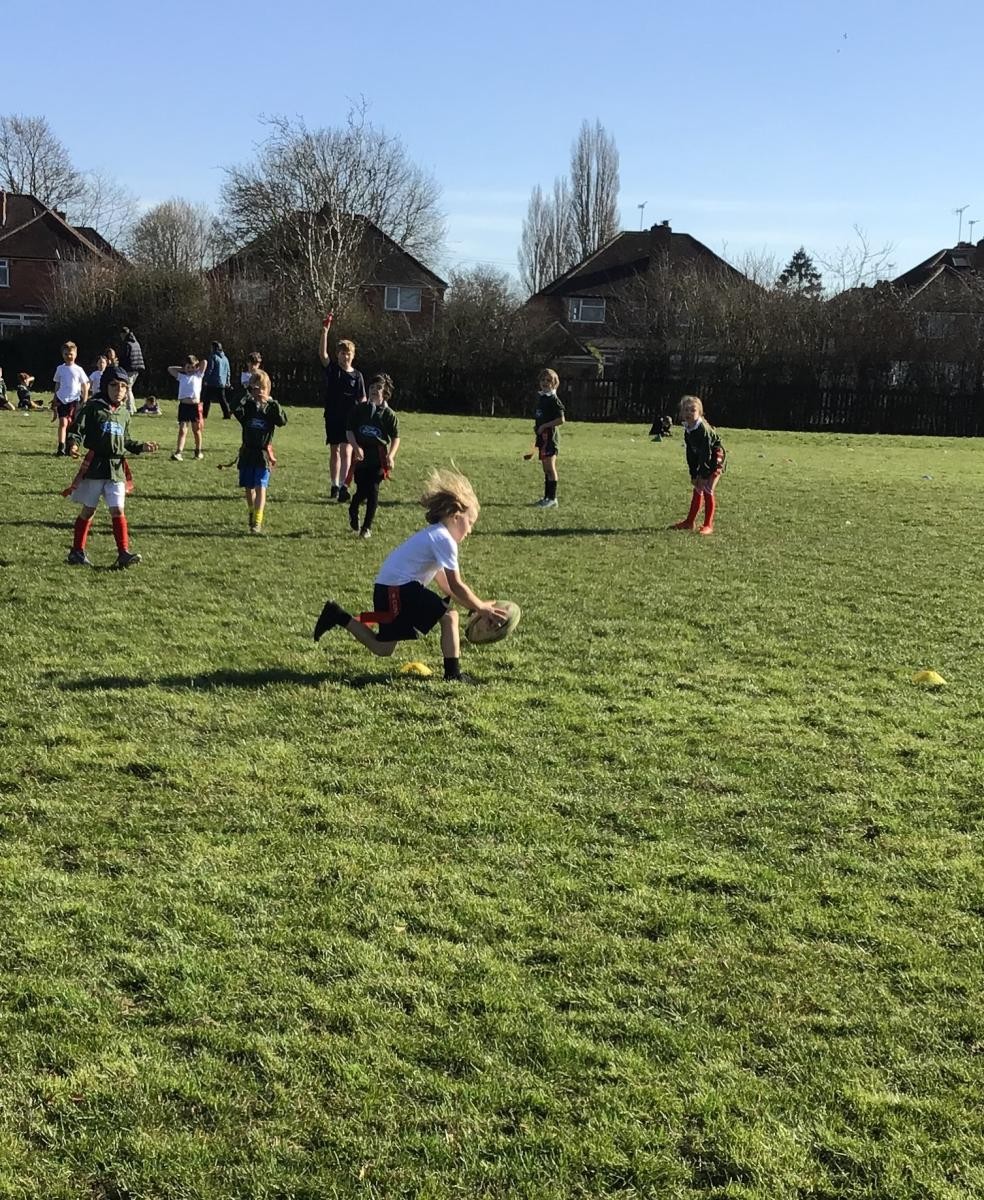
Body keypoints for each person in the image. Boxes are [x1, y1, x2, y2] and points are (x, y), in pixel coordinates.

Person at [313, 468, 508, 683]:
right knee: (449, 616)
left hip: (388, 588)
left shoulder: (436, 536)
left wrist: (476, 607)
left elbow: (446, 586)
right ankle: (453, 674)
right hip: (398, 589)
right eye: (470, 523)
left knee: (383, 648)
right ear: (455, 516)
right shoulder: (443, 539)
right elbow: (456, 585)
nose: (470, 531)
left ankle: (337, 615)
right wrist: (481, 607)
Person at [63, 365, 159, 568]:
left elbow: (126, 440)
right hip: (96, 467)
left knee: (117, 509)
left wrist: (141, 446)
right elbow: (77, 429)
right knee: (89, 510)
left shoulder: (124, 413)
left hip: (116, 468)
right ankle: (77, 551)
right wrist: (73, 444)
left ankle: (123, 553)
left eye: (123, 386)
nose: (119, 390)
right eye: (114, 385)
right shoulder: (93, 407)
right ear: (105, 386)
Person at [230, 368, 287, 534]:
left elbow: (282, 420)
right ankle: (251, 511)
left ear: (268, 389)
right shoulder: (247, 407)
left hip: (263, 455)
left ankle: (257, 520)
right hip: (248, 453)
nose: (259, 391)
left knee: (261, 486)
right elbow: (233, 407)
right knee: (249, 487)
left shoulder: (270, 409)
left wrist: (272, 402)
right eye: (255, 388)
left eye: (262, 388)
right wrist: (245, 393)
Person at [346, 373, 400, 540]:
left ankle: (366, 527)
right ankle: (353, 507)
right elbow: (349, 431)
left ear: (385, 392)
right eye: (371, 387)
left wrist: (391, 456)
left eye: (378, 388)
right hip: (361, 456)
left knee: (373, 490)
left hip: (378, 457)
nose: (374, 391)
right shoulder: (359, 409)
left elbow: (396, 437)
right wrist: (356, 448)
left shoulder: (388, 414)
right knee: (362, 490)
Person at [318, 314, 365, 502]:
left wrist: (363, 414)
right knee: (334, 451)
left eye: (348, 353)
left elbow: (362, 398)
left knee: (347, 451)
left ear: (353, 355)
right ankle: (334, 484)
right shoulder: (333, 370)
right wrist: (325, 331)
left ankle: (345, 485)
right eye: (342, 353)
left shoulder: (357, 376)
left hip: (349, 419)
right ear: (337, 355)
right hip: (333, 416)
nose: (345, 356)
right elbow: (323, 355)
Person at [669, 394, 726, 536]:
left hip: (715, 458)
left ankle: (708, 525)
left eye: (693, 410)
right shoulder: (688, 429)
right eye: (686, 410)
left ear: (699, 412)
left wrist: (703, 473)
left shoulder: (702, 429)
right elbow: (691, 453)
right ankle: (689, 522)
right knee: (698, 487)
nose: (689, 413)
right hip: (704, 459)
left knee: (707, 488)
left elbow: (706, 453)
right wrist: (693, 473)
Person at [531, 368, 565, 509]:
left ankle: (552, 498)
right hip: (542, 438)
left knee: (550, 468)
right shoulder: (542, 398)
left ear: (554, 383)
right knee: (545, 469)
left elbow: (561, 419)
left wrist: (545, 426)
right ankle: (546, 497)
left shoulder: (553, 400)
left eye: (549, 380)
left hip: (550, 438)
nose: (545, 382)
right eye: (543, 380)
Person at [52, 341, 90, 456]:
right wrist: (55, 398)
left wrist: (85, 399)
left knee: (72, 424)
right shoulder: (60, 369)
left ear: (75, 354)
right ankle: (61, 447)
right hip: (62, 399)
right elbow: (57, 384)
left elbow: (84, 385)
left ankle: (71, 446)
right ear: (62, 355)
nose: (68, 356)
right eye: (66, 354)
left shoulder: (79, 369)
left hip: (74, 400)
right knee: (63, 423)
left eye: (71, 354)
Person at [168, 355, 207, 460]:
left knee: (196, 430)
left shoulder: (198, 375)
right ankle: (179, 452)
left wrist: (196, 367)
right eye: (188, 367)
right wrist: (183, 369)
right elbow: (170, 369)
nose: (190, 369)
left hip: (195, 407)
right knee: (182, 430)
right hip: (184, 406)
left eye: (192, 367)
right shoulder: (182, 377)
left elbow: (205, 362)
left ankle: (198, 451)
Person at [117, 327, 145, 414]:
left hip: (129, 369)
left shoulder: (127, 344)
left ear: (123, 334)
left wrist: (119, 367)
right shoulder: (135, 343)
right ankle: (133, 408)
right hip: (137, 369)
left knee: (127, 388)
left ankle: (130, 409)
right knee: (129, 388)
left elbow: (124, 357)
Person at [203, 340, 232, 419]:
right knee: (222, 399)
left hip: (212, 382)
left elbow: (210, 369)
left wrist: (206, 379)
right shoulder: (225, 358)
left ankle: (204, 415)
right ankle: (227, 414)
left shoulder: (213, 356)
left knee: (207, 399)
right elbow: (228, 371)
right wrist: (228, 382)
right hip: (222, 382)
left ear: (214, 348)